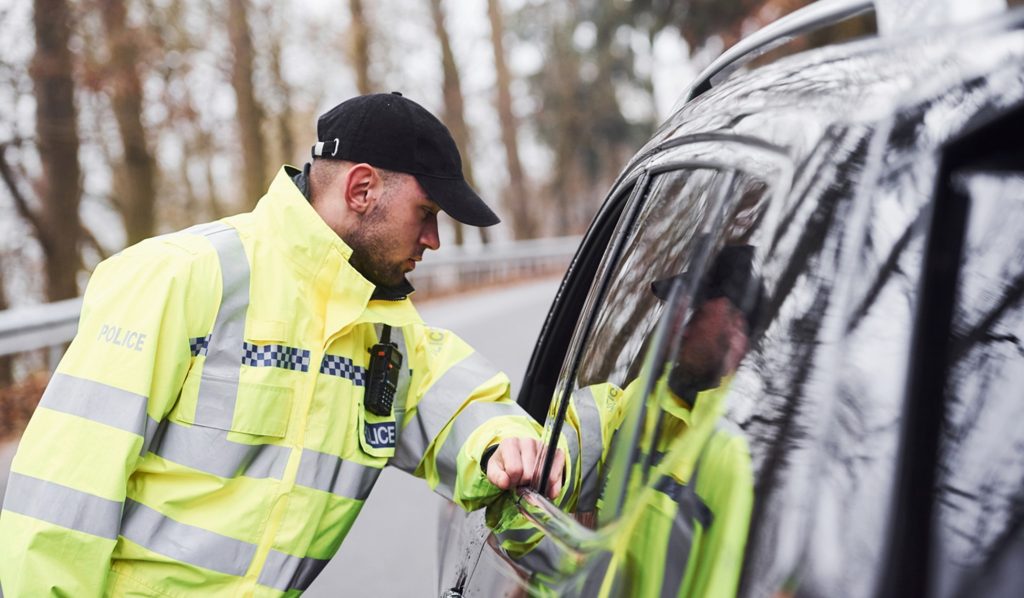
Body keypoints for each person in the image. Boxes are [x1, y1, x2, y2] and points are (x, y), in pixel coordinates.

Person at [0, 92, 564, 597]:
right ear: (362, 188)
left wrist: (504, 441)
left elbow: (460, 407)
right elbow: (60, 503)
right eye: (427, 213)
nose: (434, 240)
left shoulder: (385, 330)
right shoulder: (182, 277)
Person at [489, 245, 760, 597]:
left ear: (737, 326)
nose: (678, 322)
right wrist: (516, 451)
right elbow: (540, 457)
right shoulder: (629, 409)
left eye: (697, 308)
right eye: (678, 305)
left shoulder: (737, 456)